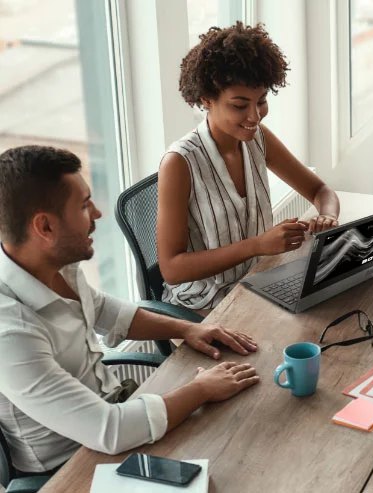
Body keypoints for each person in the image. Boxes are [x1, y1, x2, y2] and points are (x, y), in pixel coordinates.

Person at [0, 146, 259, 475]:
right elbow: (110, 431)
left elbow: (108, 310)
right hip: (71, 466)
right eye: (83, 205)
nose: (97, 213)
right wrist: (202, 389)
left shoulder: (55, 265)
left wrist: (187, 329)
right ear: (45, 228)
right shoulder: (10, 335)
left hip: (115, 410)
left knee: (242, 437)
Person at [158, 22, 340, 311]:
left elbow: (320, 190)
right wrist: (257, 245)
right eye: (239, 105)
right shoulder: (180, 163)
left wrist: (327, 217)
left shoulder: (258, 139)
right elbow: (172, 269)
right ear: (206, 99)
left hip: (259, 282)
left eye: (262, 101)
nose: (255, 117)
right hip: (205, 304)